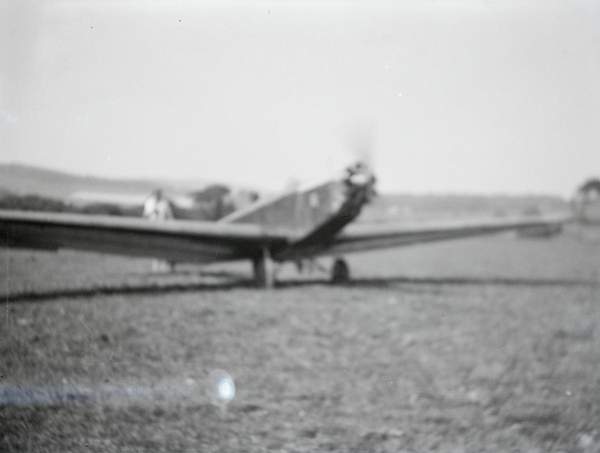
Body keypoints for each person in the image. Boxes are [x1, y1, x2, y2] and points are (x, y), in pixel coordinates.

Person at [143, 189, 175, 272]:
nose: (158, 196)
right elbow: (145, 215)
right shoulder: (149, 202)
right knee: (155, 248)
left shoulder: (164, 203)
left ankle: (165, 268)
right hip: (152, 228)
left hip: (164, 228)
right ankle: (156, 268)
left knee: (164, 247)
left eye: (159, 194)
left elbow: (170, 216)